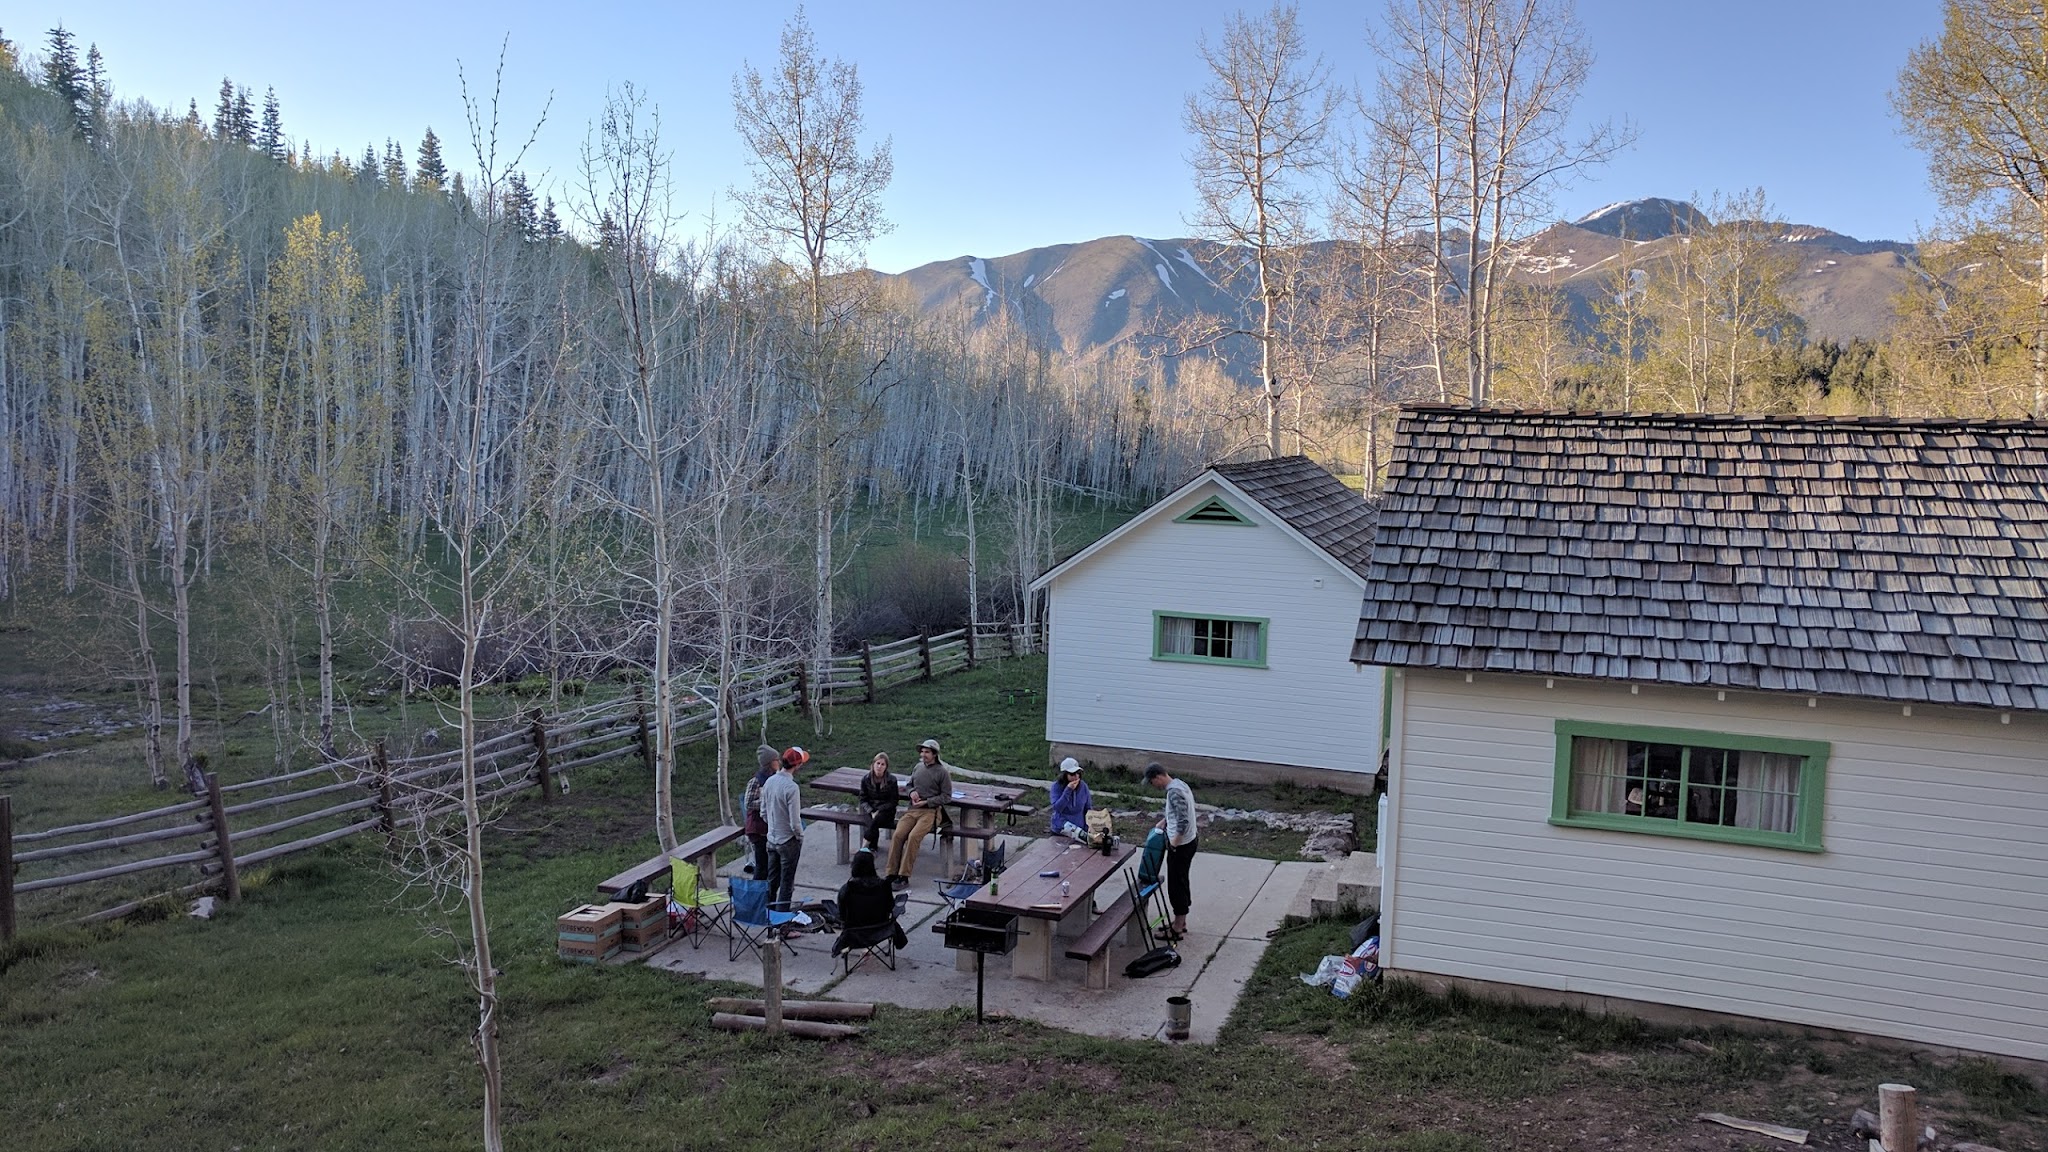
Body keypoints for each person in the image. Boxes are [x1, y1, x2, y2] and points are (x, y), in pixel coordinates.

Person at [885, 737, 953, 889]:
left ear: (934, 754)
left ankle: (904, 876)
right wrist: (912, 792)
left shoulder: (942, 772)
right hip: (913, 810)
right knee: (898, 835)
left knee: (913, 837)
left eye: (927, 752)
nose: (923, 754)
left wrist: (927, 802)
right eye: (922, 751)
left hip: (930, 812)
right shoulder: (918, 767)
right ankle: (891, 873)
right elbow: (909, 784)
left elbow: (947, 796)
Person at [1145, 763, 1197, 941]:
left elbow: (1183, 820)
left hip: (1181, 846)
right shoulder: (1180, 785)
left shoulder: (1173, 792)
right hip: (1189, 842)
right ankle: (1180, 922)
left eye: (1152, 782)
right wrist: (1165, 821)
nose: (1154, 786)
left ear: (1158, 777)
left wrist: (1174, 841)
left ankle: (1177, 928)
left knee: (1176, 885)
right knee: (1181, 881)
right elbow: (1179, 811)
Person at [831, 849, 907, 959]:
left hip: (855, 932)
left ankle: (846, 948)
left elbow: (842, 916)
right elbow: (890, 907)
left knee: (833, 915)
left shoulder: (847, 889)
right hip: (882, 929)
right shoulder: (884, 886)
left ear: (854, 866)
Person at [761, 746, 807, 912]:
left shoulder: (769, 782)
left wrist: (773, 827)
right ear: (798, 765)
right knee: (786, 884)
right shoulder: (791, 788)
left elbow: (763, 812)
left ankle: (768, 917)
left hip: (771, 840)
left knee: (772, 882)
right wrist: (800, 836)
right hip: (787, 841)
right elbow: (795, 822)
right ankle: (781, 925)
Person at [742, 744, 777, 880]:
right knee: (761, 864)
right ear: (769, 763)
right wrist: (766, 801)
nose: (778, 762)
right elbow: (748, 803)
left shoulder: (774, 778)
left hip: (768, 826)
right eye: (776, 760)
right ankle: (757, 892)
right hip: (757, 827)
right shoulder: (756, 781)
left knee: (770, 864)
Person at [858, 751, 899, 852]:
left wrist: (879, 810)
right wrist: (871, 811)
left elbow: (893, 801)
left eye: (882, 764)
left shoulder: (892, 780)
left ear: (886, 767)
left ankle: (865, 847)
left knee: (875, 820)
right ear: (873, 764)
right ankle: (871, 847)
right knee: (872, 821)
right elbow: (863, 799)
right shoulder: (866, 779)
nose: (879, 766)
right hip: (870, 809)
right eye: (878, 763)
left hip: (886, 811)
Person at [1048, 756, 1090, 835]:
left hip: (1079, 830)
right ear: (1064, 775)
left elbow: (1088, 808)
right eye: (1072, 774)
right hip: (1061, 829)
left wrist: (1087, 828)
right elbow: (1057, 808)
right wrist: (1068, 790)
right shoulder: (1056, 786)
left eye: (1078, 773)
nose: (1076, 776)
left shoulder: (1083, 786)